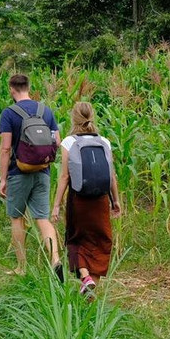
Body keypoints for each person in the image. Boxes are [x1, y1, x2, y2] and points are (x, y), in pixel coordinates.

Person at [51, 101, 121, 296]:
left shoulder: (69, 142)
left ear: (74, 118)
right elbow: (112, 175)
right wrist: (116, 201)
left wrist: (56, 206)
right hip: (100, 200)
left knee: (76, 239)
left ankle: (84, 276)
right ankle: (91, 292)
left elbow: (65, 177)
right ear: (92, 116)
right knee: (100, 241)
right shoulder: (104, 142)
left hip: (78, 200)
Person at [0, 74, 61, 276]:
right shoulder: (46, 110)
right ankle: (56, 260)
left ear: (11, 89)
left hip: (19, 172)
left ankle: (22, 267)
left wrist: (2, 178)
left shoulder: (9, 113)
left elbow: (6, 148)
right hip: (43, 171)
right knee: (42, 218)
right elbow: (57, 142)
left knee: (17, 217)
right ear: (28, 87)